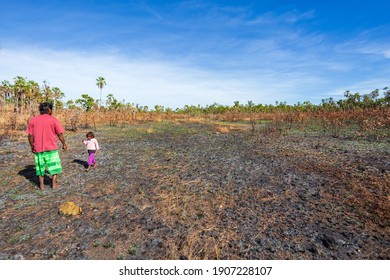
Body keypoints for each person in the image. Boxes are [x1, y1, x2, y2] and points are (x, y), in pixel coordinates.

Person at [26, 102, 67, 190]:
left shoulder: (33, 120)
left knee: (40, 168)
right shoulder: (53, 120)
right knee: (54, 167)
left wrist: (32, 146)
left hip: (38, 149)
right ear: (49, 110)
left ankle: (41, 186)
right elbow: (60, 134)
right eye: (51, 110)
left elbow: (30, 136)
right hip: (51, 149)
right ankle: (54, 185)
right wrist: (64, 143)